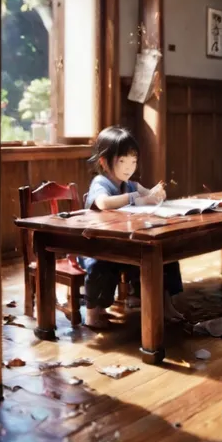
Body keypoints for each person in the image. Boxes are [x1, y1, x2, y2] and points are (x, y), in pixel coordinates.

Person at [78, 125, 184, 329]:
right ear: (104, 161)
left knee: (165, 255)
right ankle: (93, 312)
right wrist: (137, 197)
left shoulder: (130, 183)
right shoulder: (100, 182)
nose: (129, 167)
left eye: (133, 161)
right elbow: (102, 203)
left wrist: (156, 194)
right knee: (102, 267)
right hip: (97, 245)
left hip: (125, 243)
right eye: (122, 161)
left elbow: (148, 194)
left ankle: (164, 304)